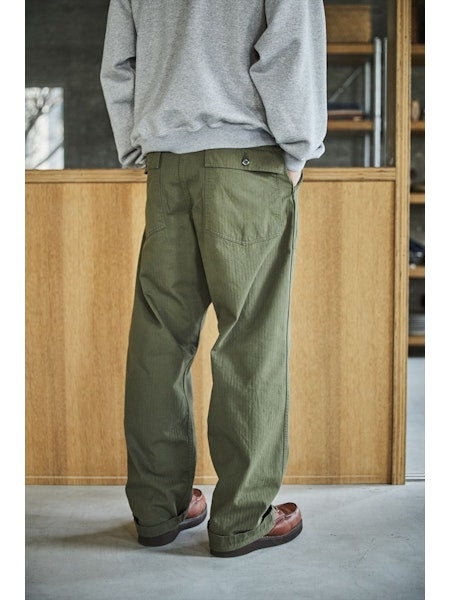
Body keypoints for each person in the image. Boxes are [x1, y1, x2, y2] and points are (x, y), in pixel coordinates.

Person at [100, 0, 327, 558]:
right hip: (247, 160)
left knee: (159, 341)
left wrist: (140, 146)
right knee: (251, 341)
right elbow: (290, 46)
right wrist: (298, 148)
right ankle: (242, 519)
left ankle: (158, 509)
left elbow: (119, 64)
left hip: (167, 166)